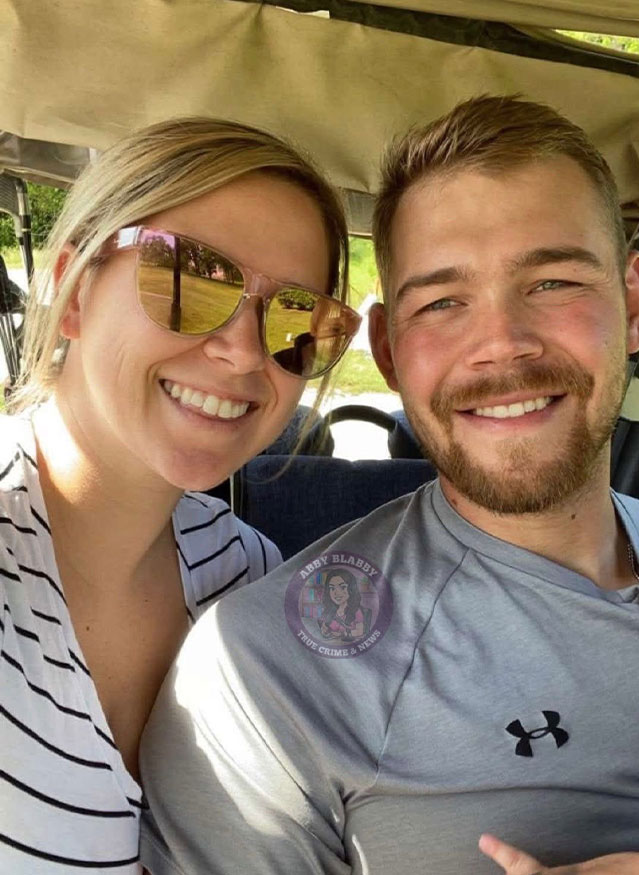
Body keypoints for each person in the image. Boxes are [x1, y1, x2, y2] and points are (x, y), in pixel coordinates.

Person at [139, 96, 639, 874]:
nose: (502, 343)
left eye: (552, 283)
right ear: (389, 352)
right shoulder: (266, 673)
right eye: (441, 302)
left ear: (634, 305)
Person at [0, 116, 360, 872]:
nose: (243, 352)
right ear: (72, 289)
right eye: (188, 281)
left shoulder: (248, 576)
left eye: (295, 318)